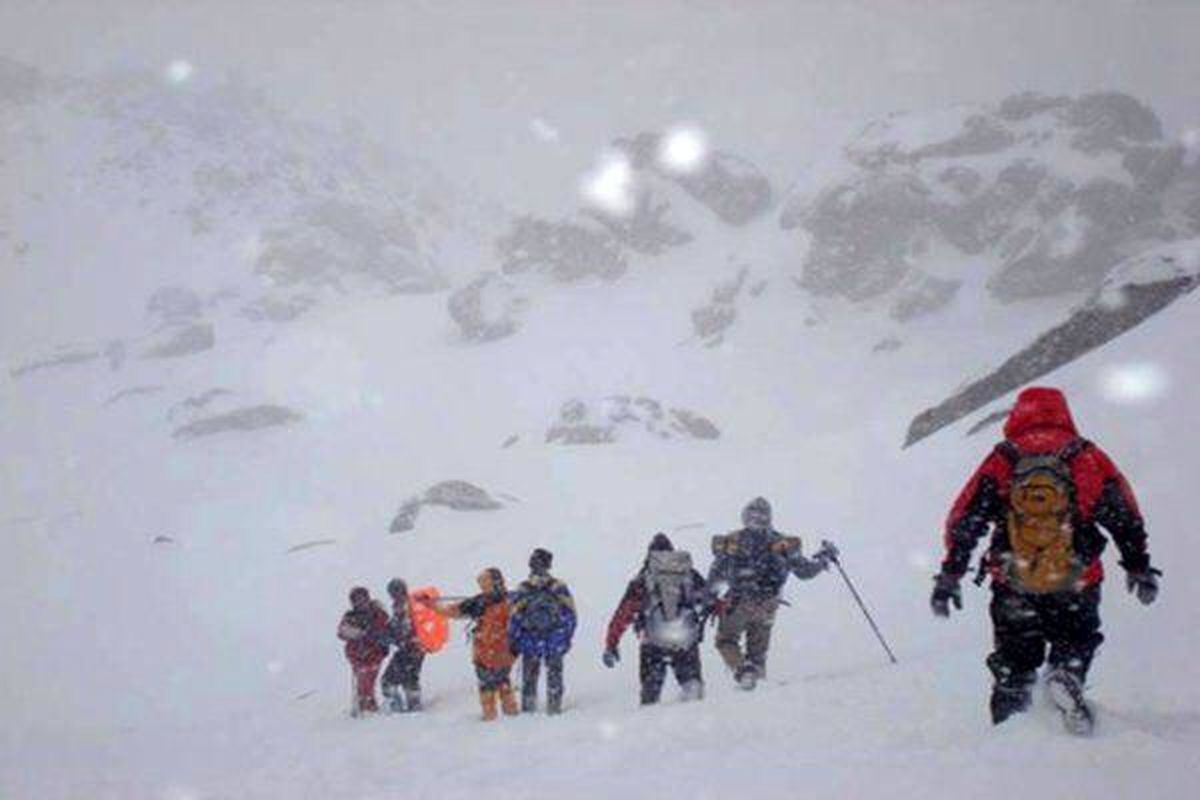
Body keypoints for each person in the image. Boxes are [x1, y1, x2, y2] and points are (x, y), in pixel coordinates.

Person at [931, 386, 1159, 733]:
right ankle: (1066, 675)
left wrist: (951, 574)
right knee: (1076, 640)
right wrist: (1138, 565)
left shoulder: (1004, 459)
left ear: (1017, 415)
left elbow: (964, 519)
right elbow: (1124, 515)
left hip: (1013, 582)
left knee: (1014, 661)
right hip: (1076, 579)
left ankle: (1011, 733)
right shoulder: (1085, 456)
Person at [708, 497, 838, 690]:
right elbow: (804, 572)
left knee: (726, 640)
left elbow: (716, 575)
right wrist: (823, 560)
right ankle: (758, 689)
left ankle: (743, 672)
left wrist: (708, 598)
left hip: (738, 602)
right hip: (769, 604)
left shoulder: (733, 542)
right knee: (758, 651)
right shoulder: (782, 543)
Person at [604, 533, 713, 704]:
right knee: (692, 687)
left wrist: (612, 644)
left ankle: (649, 722)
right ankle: (695, 721)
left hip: (652, 641)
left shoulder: (642, 579)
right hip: (685, 639)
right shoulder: (688, 574)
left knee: (650, 692)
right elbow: (709, 598)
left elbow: (623, 614)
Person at [436, 568, 519, 721]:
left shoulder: (480, 602)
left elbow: (452, 611)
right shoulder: (511, 599)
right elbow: (453, 611)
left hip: (488, 652)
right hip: (502, 652)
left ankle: (491, 719)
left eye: (484, 582)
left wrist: (432, 607)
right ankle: (511, 717)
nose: (482, 585)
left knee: (488, 686)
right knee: (503, 683)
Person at [509, 548, 576, 715]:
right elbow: (571, 614)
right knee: (554, 676)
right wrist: (565, 637)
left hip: (530, 639)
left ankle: (528, 710)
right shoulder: (558, 587)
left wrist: (514, 640)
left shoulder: (524, 588)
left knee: (529, 679)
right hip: (554, 639)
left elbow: (514, 616)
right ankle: (554, 708)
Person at [337, 586, 390, 715]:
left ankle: (368, 707)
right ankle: (364, 706)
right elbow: (342, 632)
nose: (359, 602)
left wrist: (371, 634)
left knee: (367, 680)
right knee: (362, 681)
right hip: (356, 655)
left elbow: (384, 628)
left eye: (362, 599)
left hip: (374, 654)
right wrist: (357, 633)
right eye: (356, 600)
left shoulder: (377, 613)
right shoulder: (350, 616)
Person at [380, 578, 425, 713]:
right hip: (414, 649)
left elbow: (404, 630)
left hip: (410, 649)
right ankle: (411, 705)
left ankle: (402, 706)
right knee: (407, 679)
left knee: (391, 681)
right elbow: (397, 628)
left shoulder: (407, 606)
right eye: (392, 592)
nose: (393, 594)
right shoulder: (405, 605)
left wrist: (390, 636)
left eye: (395, 591)